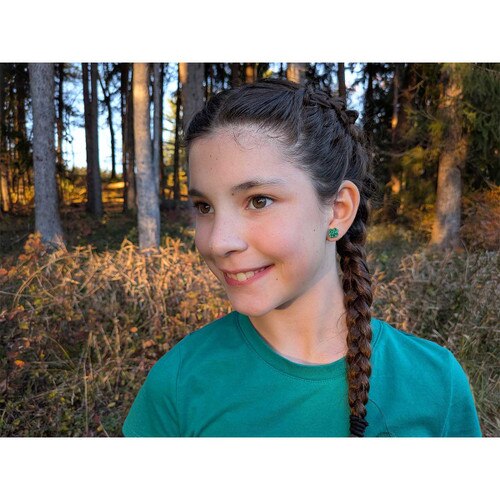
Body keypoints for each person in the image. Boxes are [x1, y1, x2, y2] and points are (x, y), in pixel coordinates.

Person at [122, 78, 481, 437]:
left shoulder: (436, 384)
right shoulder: (178, 383)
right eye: (204, 207)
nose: (218, 242)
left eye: (258, 201)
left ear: (338, 210)